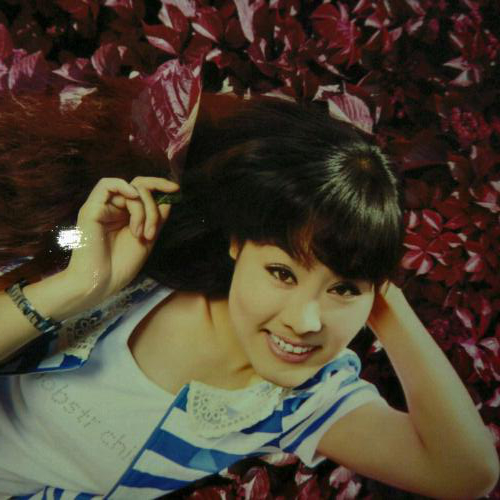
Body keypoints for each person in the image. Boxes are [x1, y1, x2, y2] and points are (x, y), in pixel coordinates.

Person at [0, 89, 497, 500]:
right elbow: (53, 242)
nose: (305, 321)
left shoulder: (299, 402)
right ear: (238, 243)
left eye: (343, 288)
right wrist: (77, 284)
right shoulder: (144, 261)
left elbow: (466, 475)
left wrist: (387, 300)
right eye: (282, 273)